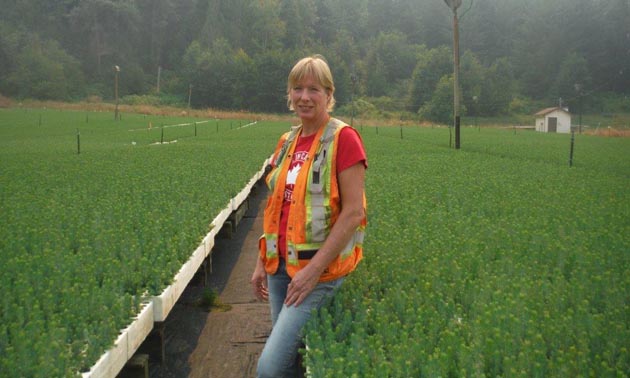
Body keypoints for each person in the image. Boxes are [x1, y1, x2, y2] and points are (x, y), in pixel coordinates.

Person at [250, 55, 368, 378]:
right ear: (289, 95)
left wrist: (313, 272)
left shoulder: (344, 139)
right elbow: (276, 205)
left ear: (329, 95)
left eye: (314, 89)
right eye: (297, 88)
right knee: (289, 362)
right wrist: (262, 259)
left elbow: (354, 212)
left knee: (269, 368)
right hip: (280, 271)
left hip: (318, 275)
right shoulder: (287, 142)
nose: (304, 96)